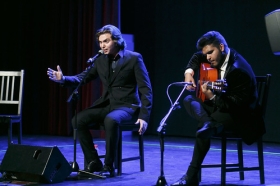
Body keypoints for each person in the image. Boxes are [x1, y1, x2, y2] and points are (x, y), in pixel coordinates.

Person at [47, 24, 153, 177]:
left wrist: (144, 116)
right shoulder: (100, 60)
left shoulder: (134, 59)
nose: (103, 45)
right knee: (78, 120)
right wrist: (63, 79)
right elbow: (82, 78)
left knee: (111, 120)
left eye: (106, 41)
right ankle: (94, 161)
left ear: (116, 41)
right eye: (100, 42)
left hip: (128, 106)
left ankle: (109, 165)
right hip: (108, 104)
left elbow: (146, 89)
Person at [171, 31, 265, 185]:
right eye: (206, 53)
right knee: (188, 99)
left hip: (241, 116)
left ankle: (190, 176)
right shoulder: (215, 55)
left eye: (210, 53)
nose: (207, 57)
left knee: (202, 129)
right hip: (222, 106)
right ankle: (209, 123)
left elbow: (235, 106)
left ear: (221, 47)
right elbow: (196, 56)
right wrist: (189, 72)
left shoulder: (238, 70)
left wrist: (212, 97)